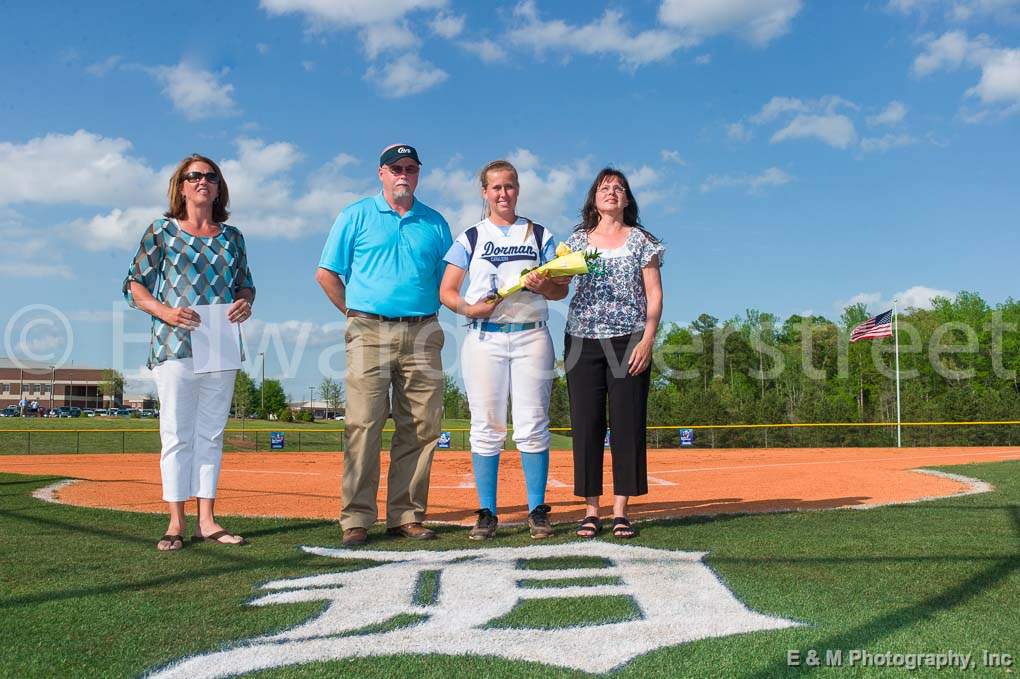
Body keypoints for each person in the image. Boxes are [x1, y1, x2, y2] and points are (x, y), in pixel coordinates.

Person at [316, 144, 452, 547]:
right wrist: (353, 315)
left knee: (423, 426)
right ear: (381, 173)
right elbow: (327, 274)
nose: (403, 175)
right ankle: (356, 517)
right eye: (396, 168)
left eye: (411, 168)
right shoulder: (355, 215)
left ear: (418, 174)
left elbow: (449, 283)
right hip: (368, 330)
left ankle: (406, 515)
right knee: (363, 424)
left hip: (424, 332)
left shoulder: (435, 223)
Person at [124, 153, 255, 551]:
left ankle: (208, 520)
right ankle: (175, 522)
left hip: (219, 343)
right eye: (194, 176)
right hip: (174, 345)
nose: (203, 182)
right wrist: (166, 311)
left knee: (211, 435)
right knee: (177, 435)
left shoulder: (232, 237)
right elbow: (134, 285)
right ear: (181, 186)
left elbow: (245, 285)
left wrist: (245, 302)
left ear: (219, 188)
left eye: (210, 177)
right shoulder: (161, 231)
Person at [439, 160, 568, 540]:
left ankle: (537, 510)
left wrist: (545, 285)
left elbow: (562, 290)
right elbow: (446, 292)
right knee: (487, 426)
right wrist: (469, 307)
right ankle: (487, 513)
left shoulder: (538, 234)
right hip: (484, 338)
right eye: (495, 187)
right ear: (484, 192)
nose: (503, 193)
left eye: (509, 186)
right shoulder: (471, 238)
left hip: (532, 335)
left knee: (532, 425)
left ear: (517, 189)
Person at [564, 168, 663, 540]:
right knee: (586, 424)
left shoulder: (642, 241)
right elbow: (560, 285)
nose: (612, 192)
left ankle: (621, 511)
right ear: (594, 198)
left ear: (627, 200)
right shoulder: (576, 242)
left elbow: (654, 294)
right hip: (581, 339)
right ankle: (591, 511)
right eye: (605, 187)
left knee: (627, 424)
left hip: (629, 340)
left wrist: (647, 339)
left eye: (619, 188)